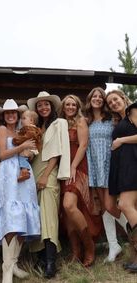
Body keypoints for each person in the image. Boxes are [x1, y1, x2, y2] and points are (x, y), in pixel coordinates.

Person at [0, 99, 40, 283]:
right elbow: (2, 155)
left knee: (22, 217)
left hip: (24, 175)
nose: (11, 115)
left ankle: (15, 264)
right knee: (10, 218)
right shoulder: (2, 130)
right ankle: (7, 269)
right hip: (8, 173)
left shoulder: (21, 130)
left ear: (17, 115)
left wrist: (29, 152)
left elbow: (31, 150)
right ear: (4, 115)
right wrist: (22, 147)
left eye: (14, 113)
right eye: (7, 113)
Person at [27, 91, 70, 278]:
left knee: (48, 215)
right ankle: (41, 258)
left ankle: (52, 262)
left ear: (52, 107)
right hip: (33, 171)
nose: (43, 107)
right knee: (37, 214)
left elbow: (58, 152)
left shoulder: (59, 123)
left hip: (49, 171)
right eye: (39, 105)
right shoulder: (36, 127)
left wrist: (45, 175)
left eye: (46, 104)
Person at [85, 87, 127, 263]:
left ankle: (132, 232)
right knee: (104, 207)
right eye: (94, 96)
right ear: (90, 99)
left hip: (109, 164)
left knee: (111, 206)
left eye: (100, 97)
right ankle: (113, 245)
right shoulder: (86, 121)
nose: (97, 98)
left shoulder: (112, 119)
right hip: (95, 166)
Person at [59, 94, 101, 267]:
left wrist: (74, 166)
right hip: (62, 168)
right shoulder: (60, 124)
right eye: (67, 104)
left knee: (69, 205)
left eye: (73, 105)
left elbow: (83, 145)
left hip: (77, 166)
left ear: (77, 107)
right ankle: (76, 251)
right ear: (63, 107)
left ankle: (89, 247)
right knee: (67, 211)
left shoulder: (81, 121)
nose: (70, 107)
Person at [106, 90, 137, 272]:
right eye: (110, 102)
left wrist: (120, 140)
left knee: (125, 204)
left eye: (115, 99)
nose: (113, 103)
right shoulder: (121, 119)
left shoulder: (133, 110)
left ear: (123, 97)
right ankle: (135, 258)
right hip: (123, 167)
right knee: (127, 206)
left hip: (133, 165)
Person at [12, 110, 42, 182]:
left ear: (31, 120)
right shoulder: (34, 129)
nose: (21, 121)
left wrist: (16, 139)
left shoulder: (30, 129)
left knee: (22, 156)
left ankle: (24, 172)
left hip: (29, 149)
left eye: (24, 118)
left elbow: (24, 138)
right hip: (33, 149)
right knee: (24, 158)